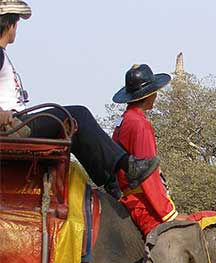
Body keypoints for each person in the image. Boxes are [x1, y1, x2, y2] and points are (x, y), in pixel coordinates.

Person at [0, 1, 159, 197]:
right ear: (10, 25)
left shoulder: (3, 55)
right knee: (78, 115)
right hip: (13, 128)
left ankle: (113, 184)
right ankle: (128, 167)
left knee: (73, 124)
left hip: (18, 123)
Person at [111, 63, 190, 263]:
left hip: (126, 196)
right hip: (140, 202)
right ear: (149, 95)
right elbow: (146, 176)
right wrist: (169, 216)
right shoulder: (140, 125)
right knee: (166, 249)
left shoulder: (124, 121)